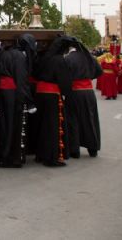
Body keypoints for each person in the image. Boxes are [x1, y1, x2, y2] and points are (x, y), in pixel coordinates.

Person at [0, 34, 38, 168]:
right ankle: (14, 157)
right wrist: (28, 99)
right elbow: (21, 80)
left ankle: (4, 155)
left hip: (4, 93)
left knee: (5, 125)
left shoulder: (4, 53)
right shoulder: (19, 56)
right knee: (15, 126)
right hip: (14, 95)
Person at [33, 37, 73, 167]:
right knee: (53, 127)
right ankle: (52, 157)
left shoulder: (44, 57)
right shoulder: (59, 60)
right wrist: (66, 93)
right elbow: (65, 80)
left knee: (41, 125)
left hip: (39, 94)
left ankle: (40, 154)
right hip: (52, 95)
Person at [64, 38, 102, 159]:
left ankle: (74, 150)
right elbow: (99, 71)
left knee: (73, 120)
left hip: (74, 92)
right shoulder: (89, 57)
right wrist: (89, 77)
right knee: (90, 119)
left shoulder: (68, 59)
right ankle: (93, 149)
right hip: (89, 92)